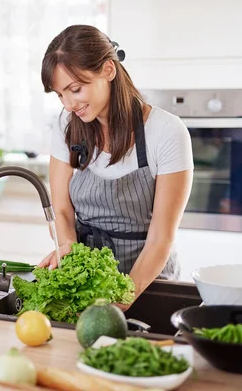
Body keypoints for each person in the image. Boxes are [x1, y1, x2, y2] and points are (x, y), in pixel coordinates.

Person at [37, 25, 194, 310]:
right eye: (60, 95)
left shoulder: (166, 132)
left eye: (75, 89)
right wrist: (68, 246)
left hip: (149, 286)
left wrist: (121, 298)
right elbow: (60, 210)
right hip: (89, 282)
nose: (69, 104)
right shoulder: (67, 125)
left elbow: (161, 239)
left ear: (108, 70)